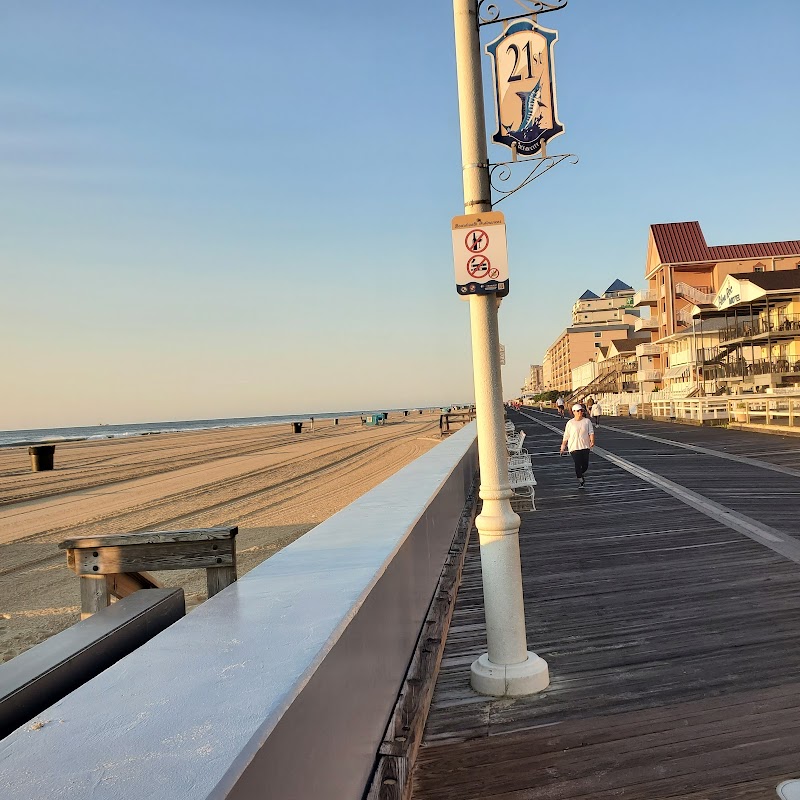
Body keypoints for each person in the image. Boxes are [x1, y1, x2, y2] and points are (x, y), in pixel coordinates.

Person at [560, 403, 595, 488]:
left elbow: (591, 432)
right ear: (574, 412)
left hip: (585, 446)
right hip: (574, 447)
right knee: (577, 463)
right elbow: (566, 435)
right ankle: (580, 480)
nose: (580, 412)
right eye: (578, 411)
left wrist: (592, 441)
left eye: (581, 410)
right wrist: (563, 447)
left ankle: (580, 473)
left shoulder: (587, 421)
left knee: (585, 465)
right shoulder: (570, 423)